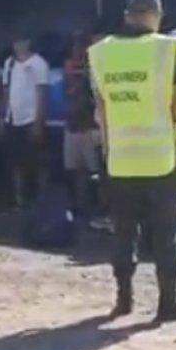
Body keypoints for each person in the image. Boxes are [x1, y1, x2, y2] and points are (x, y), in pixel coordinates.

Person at [89, 0, 176, 323]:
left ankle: (124, 299)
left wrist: (109, 150)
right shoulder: (168, 48)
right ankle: (169, 301)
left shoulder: (99, 53)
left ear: (127, 15)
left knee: (123, 230)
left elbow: (102, 108)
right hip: (160, 157)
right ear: (157, 14)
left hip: (120, 159)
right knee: (167, 231)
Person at [2, 32, 50, 207]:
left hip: (30, 119)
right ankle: (18, 198)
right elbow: (6, 90)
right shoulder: (9, 63)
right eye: (16, 42)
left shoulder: (39, 63)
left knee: (34, 163)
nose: (18, 45)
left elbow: (42, 94)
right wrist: (3, 116)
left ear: (29, 42)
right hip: (12, 119)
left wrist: (38, 122)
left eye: (22, 41)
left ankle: (38, 200)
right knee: (14, 161)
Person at [63, 31, 102, 217]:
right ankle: (80, 208)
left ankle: (97, 210)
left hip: (90, 126)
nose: (77, 50)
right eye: (75, 46)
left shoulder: (97, 68)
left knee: (96, 173)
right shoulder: (69, 68)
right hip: (72, 125)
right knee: (74, 170)